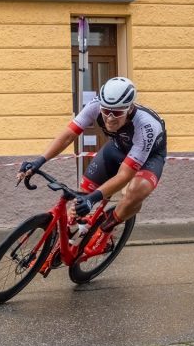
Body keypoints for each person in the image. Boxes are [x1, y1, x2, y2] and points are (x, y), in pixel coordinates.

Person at [17, 76, 166, 238]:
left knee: (134, 193)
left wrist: (93, 198)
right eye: (106, 111)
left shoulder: (146, 126)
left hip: (149, 157)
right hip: (118, 147)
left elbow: (125, 174)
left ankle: (105, 229)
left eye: (116, 113)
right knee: (82, 195)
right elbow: (68, 135)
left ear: (129, 109)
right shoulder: (95, 105)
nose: (109, 118)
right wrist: (39, 161)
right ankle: (67, 237)